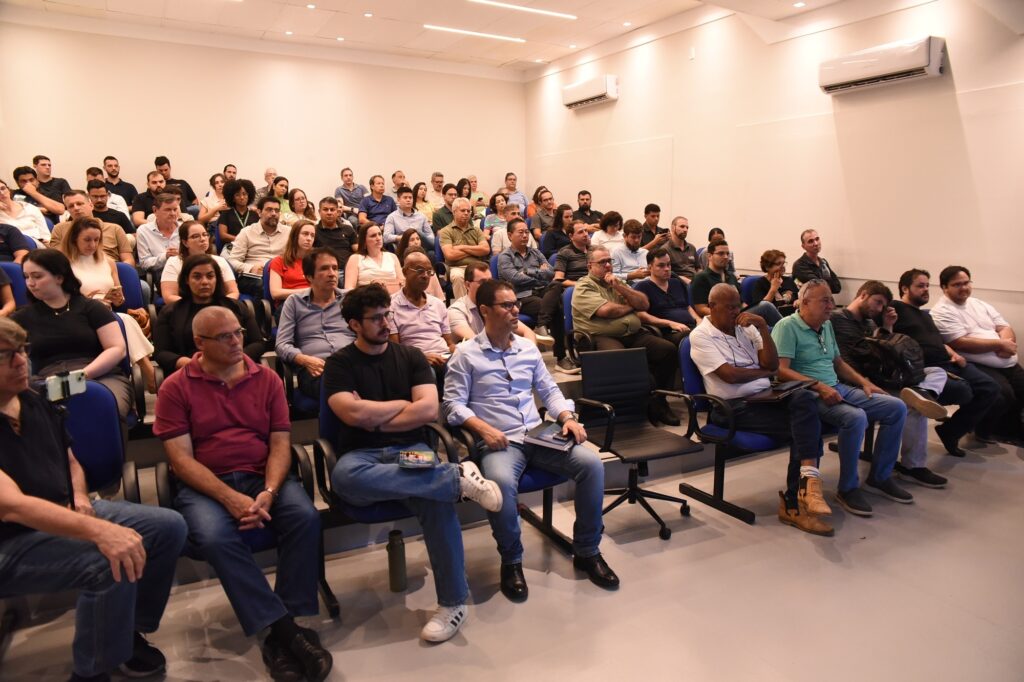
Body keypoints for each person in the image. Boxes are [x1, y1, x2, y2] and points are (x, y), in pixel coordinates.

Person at [0, 317, 187, 681]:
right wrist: (96, 530)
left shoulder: (35, 397)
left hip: (64, 511)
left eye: (22, 351)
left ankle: (126, 632)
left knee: (168, 527)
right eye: (6, 355)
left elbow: (69, 459)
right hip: (11, 541)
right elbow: (11, 505)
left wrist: (82, 497)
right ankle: (93, 672)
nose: (21, 362)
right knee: (106, 562)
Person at [153, 306, 333, 681]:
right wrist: (227, 497)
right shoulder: (175, 387)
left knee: (304, 516)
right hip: (204, 485)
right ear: (199, 343)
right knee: (216, 538)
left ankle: (281, 629)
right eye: (225, 337)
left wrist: (268, 489)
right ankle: (287, 632)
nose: (237, 341)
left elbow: (281, 444)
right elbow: (181, 462)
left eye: (238, 332)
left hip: (261, 477)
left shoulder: (265, 378)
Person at [323, 283, 503, 643]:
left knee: (436, 506)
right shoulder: (339, 364)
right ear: (354, 324)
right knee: (344, 476)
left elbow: (427, 409)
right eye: (375, 319)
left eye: (386, 315)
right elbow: (348, 411)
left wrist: (372, 415)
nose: (384, 323)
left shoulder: (411, 357)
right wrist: (396, 409)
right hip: (362, 455)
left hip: (412, 449)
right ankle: (456, 478)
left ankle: (453, 604)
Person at [444, 278, 619, 600]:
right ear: (484, 310)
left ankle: (587, 550)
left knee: (592, 464)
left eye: (516, 304)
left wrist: (566, 417)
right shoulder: (465, 355)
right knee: (500, 483)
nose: (515, 311)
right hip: (500, 441)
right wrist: (483, 429)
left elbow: (549, 390)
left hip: (538, 434)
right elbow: (452, 405)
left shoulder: (527, 348)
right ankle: (511, 560)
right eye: (506, 305)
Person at [689, 284, 833, 535]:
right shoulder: (700, 335)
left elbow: (773, 363)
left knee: (804, 399)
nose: (736, 312)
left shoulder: (749, 329)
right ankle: (795, 502)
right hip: (732, 408)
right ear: (712, 307)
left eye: (738, 306)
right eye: (729, 307)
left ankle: (807, 485)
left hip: (766, 398)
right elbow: (730, 376)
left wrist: (764, 328)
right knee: (806, 425)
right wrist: (765, 372)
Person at [772, 279, 910, 517]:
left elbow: (838, 362)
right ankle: (847, 488)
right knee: (855, 418)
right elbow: (780, 370)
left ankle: (879, 477)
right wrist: (819, 386)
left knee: (896, 407)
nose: (830, 305)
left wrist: (865, 383)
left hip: (836, 387)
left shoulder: (826, 325)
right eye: (824, 300)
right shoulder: (787, 326)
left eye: (831, 300)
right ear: (805, 302)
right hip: (808, 394)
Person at [830, 281, 953, 488]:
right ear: (864, 294)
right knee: (910, 408)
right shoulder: (837, 319)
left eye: (882, 306)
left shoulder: (869, 324)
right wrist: (865, 382)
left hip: (880, 375)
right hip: (858, 380)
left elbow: (881, 352)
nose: (878, 309)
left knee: (937, 372)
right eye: (877, 303)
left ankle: (923, 392)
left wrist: (886, 327)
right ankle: (911, 467)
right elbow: (841, 359)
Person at [892, 268, 1000, 456]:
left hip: (948, 362)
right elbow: (884, 331)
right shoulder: (896, 309)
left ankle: (950, 431)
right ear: (905, 288)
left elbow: (938, 341)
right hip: (926, 367)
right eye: (920, 286)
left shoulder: (925, 315)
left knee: (990, 387)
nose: (926, 289)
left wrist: (953, 354)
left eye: (927, 285)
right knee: (965, 391)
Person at [12, 250, 133, 418]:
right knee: (38, 416)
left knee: (103, 409)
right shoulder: (22, 317)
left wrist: (81, 376)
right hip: (48, 380)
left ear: (59, 277)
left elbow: (117, 349)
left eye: (37, 276)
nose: (30, 283)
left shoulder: (91, 307)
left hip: (101, 376)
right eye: (26, 277)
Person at [571, 245, 681, 425]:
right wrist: (632, 306)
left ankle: (659, 402)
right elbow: (608, 311)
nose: (608, 265)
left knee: (667, 350)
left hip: (630, 334)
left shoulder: (615, 282)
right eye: (602, 262)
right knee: (624, 358)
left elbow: (644, 303)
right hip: (597, 337)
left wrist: (621, 288)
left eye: (609, 261)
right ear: (590, 266)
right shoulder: (584, 286)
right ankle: (639, 408)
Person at [58, 216, 157, 392]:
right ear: (74, 239)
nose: (93, 245)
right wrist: (89, 299)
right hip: (80, 316)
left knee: (121, 318)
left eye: (97, 240)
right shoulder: (63, 264)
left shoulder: (107, 261)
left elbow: (119, 297)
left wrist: (117, 298)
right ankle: (148, 372)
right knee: (123, 320)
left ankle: (143, 373)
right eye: (87, 240)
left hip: (108, 313)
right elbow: (62, 300)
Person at [931, 265, 1024, 444]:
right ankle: (988, 430)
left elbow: (1004, 326)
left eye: (966, 282)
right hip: (977, 364)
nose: (964, 287)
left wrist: (1006, 344)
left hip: (1006, 361)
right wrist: (999, 344)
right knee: (1004, 395)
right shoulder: (942, 311)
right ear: (944, 287)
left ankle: (1010, 430)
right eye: (957, 284)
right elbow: (959, 342)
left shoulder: (979, 304)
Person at [153, 255, 263, 375]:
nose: (205, 282)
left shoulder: (236, 307)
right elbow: (161, 353)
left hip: (235, 370)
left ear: (217, 279)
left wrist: (233, 358)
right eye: (197, 276)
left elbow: (257, 343)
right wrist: (193, 364)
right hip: (191, 373)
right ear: (186, 280)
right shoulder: (170, 312)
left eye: (210, 276)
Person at [275, 248, 354, 401]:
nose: (332, 273)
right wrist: (304, 360)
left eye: (335, 268)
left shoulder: (350, 299)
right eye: (324, 268)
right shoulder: (294, 302)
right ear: (309, 277)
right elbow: (282, 344)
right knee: (336, 384)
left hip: (352, 364)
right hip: (316, 370)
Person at [389, 251, 456, 386]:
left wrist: (460, 353)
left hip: (443, 357)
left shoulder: (437, 304)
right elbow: (394, 349)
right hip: (413, 360)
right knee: (425, 372)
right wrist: (421, 357)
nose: (425, 276)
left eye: (429, 271)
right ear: (405, 271)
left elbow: (449, 343)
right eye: (420, 270)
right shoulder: (391, 305)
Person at [448, 261, 541, 346]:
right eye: (482, 282)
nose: (488, 286)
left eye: (490, 281)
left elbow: (528, 332)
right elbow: (475, 343)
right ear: (467, 285)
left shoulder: (497, 306)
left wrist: (530, 353)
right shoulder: (456, 311)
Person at [691, 239, 782, 324]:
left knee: (763, 314)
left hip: (738, 314)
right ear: (709, 256)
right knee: (765, 306)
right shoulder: (701, 278)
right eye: (721, 254)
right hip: (721, 318)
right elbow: (701, 309)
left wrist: (748, 312)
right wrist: (728, 313)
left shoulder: (731, 276)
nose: (726, 257)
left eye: (727, 254)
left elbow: (741, 303)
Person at [225, 196, 289, 298]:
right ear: (259, 212)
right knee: (263, 285)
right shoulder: (246, 232)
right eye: (269, 210)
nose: (273, 213)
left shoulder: (289, 232)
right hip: (255, 277)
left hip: (281, 275)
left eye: (277, 210)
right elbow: (232, 261)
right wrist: (250, 268)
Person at [161, 220, 239, 304]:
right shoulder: (174, 262)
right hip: (186, 311)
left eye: (205, 235)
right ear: (185, 242)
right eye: (195, 236)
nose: (203, 239)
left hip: (218, 309)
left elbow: (233, 292)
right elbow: (169, 296)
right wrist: (197, 307)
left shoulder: (220, 260)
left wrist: (218, 305)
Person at [52, 190, 134, 266]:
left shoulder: (114, 228)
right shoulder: (59, 229)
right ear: (68, 210)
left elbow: (128, 260)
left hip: (109, 269)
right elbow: (56, 260)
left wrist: (114, 270)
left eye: (80, 204)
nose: (76, 208)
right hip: (74, 270)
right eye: (71, 206)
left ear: (91, 205)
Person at [497, 218, 554, 324]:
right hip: (521, 296)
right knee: (550, 306)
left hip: (541, 290)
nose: (525, 235)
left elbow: (551, 273)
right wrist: (540, 274)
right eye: (521, 232)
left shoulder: (536, 252)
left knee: (557, 288)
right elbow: (515, 279)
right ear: (510, 235)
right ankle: (544, 331)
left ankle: (543, 330)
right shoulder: (505, 256)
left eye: (527, 232)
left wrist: (527, 271)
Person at [634, 248, 695, 345]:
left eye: (668, 264)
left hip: (691, 327)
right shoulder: (643, 287)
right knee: (694, 337)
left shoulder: (677, 283)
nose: (667, 269)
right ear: (650, 267)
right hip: (668, 332)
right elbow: (641, 315)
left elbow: (687, 307)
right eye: (661, 266)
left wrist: (699, 320)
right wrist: (670, 323)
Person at [438, 197, 489, 299]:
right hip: (456, 268)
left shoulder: (477, 230)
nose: (466, 213)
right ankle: (463, 310)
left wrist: (461, 247)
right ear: (454, 212)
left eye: (468, 211)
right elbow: (450, 255)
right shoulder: (445, 231)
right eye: (462, 210)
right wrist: (475, 250)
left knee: (486, 276)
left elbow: (485, 250)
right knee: (458, 276)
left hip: (476, 267)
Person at [344, 224, 403, 295]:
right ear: (364, 241)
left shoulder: (392, 257)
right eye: (373, 236)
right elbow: (349, 289)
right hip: (366, 300)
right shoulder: (355, 258)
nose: (378, 238)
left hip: (393, 299)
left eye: (380, 234)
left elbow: (402, 282)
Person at [135, 193, 182, 282]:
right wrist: (165, 256)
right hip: (162, 278)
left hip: (185, 274)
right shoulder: (144, 231)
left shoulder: (184, 228)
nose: (173, 213)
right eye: (168, 210)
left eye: (175, 209)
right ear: (155, 210)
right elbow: (144, 263)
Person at [268, 220, 316, 303]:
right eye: (305, 234)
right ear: (295, 236)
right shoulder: (278, 261)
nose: (309, 238)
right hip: (289, 303)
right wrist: (308, 291)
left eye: (312, 235)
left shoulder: (317, 260)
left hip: (314, 301)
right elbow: (275, 293)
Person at [383, 186, 434, 253]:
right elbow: (386, 237)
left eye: (410, 198)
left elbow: (430, 236)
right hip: (404, 249)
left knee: (431, 252)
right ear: (398, 199)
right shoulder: (392, 217)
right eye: (405, 197)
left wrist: (419, 238)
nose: (408, 200)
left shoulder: (421, 216)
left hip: (421, 248)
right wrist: (404, 237)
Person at [0, 178, 49, 246]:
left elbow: (46, 235)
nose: (1, 193)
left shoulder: (30, 208)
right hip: (10, 249)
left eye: (3, 188)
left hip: (37, 246)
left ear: (8, 190)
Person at [753, 249, 799, 316]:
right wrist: (773, 289)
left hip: (791, 316)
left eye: (783, 263)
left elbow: (799, 297)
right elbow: (761, 309)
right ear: (767, 267)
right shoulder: (760, 283)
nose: (782, 266)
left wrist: (798, 301)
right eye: (778, 264)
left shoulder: (789, 280)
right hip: (772, 318)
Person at [313, 196, 357, 265]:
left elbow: (358, 250)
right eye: (325, 209)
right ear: (319, 212)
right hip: (324, 270)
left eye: (332, 209)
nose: (329, 213)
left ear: (337, 212)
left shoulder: (348, 229)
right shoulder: (313, 231)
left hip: (347, 269)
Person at [217, 178, 259, 244]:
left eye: (244, 194)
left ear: (249, 196)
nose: (242, 197)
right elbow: (223, 235)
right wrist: (242, 240)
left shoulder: (255, 214)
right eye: (237, 195)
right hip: (231, 247)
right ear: (232, 198)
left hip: (252, 246)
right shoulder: (226, 214)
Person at [663, 215, 699, 283]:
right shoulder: (665, 249)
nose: (685, 230)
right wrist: (683, 280)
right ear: (673, 228)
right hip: (677, 282)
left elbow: (698, 268)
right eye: (682, 226)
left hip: (695, 282)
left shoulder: (692, 247)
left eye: (687, 227)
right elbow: (665, 271)